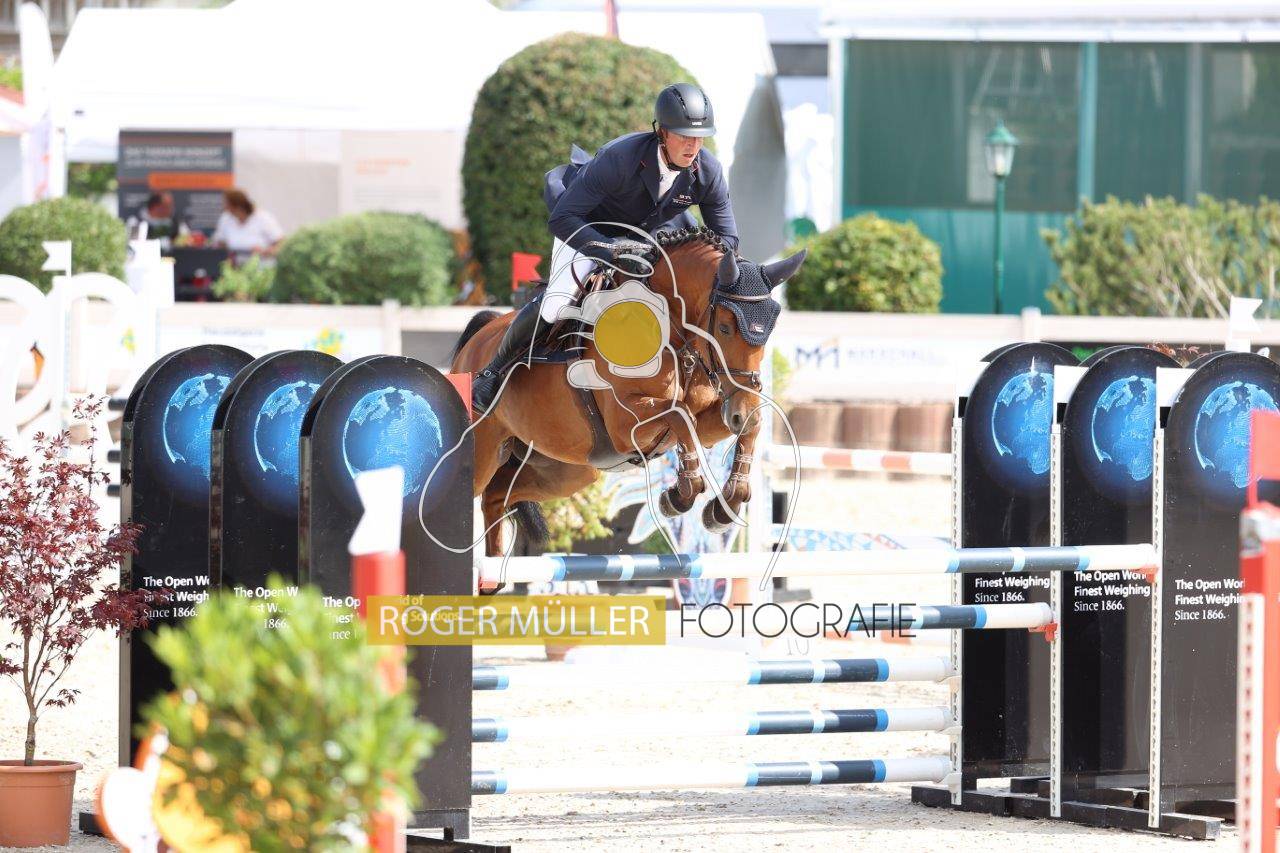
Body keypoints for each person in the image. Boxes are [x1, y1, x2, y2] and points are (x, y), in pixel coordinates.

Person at [471, 82, 740, 413]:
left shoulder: (707, 170)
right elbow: (562, 218)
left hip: (652, 234)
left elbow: (727, 241)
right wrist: (610, 251)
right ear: (662, 132)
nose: (693, 146)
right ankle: (492, 373)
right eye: (685, 136)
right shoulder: (620, 159)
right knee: (556, 305)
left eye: (699, 137)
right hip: (589, 227)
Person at [211, 188, 284, 264]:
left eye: (228, 204)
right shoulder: (226, 218)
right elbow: (220, 243)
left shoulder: (263, 217)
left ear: (238, 206)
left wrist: (266, 251)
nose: (224, 207)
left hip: (261, 266)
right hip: (235, 266)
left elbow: (281, 243)